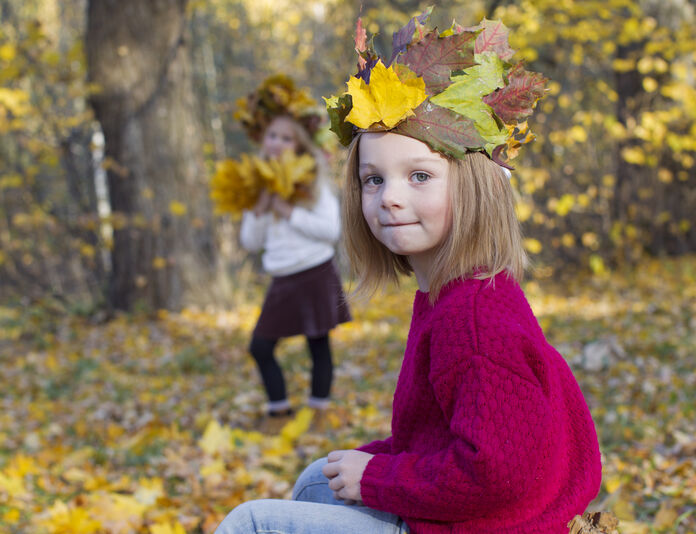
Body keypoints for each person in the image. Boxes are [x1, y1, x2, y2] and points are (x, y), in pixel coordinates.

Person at [215, 9, 601, 534]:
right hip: (477, 514)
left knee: (251, 523)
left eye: (419, 176)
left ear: (473, 187)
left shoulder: (474, 321)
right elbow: (443, 439)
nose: (390, 198)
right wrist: (375, 463)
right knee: (315, 481)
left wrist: (378, 477)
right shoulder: (451, 295)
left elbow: (499, 472)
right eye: (373, 180)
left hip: (491, 525)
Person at [236, 75, 351, 428]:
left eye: (287, 138)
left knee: (318, 344)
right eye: (273, 136)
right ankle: (279, 410)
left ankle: (319, 411)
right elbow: (250, 243)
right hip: (282, 277)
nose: (278, 143)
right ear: (263, 139)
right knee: (261, 347)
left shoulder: (313, 182)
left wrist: (289, 212)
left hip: (315, 271)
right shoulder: (257, 183)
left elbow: (330, 231)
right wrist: (260, 210)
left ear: (299, 145)